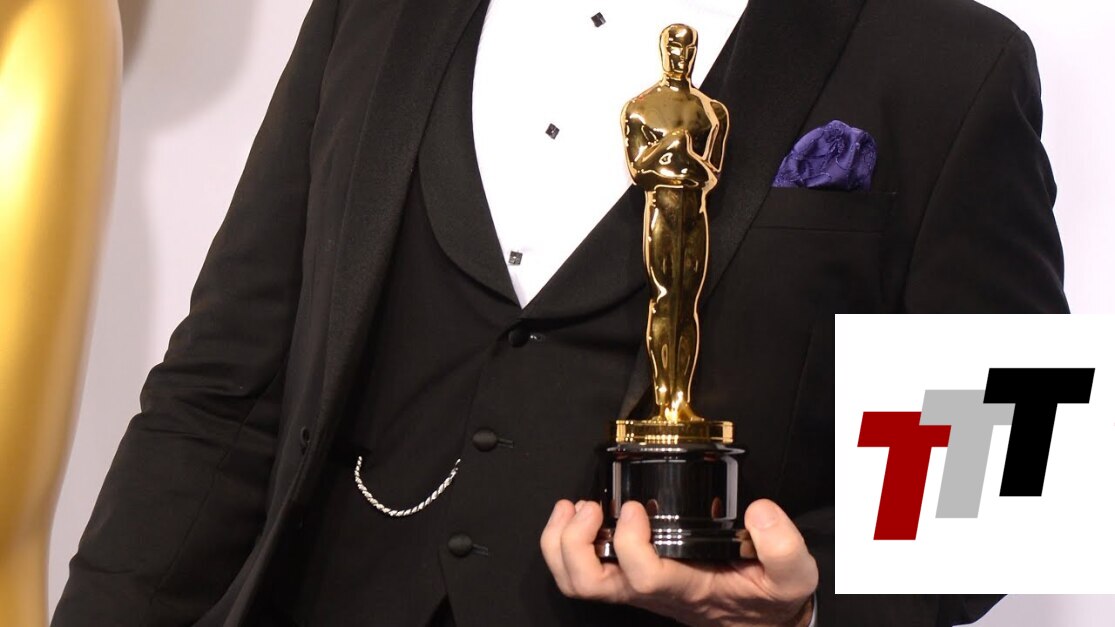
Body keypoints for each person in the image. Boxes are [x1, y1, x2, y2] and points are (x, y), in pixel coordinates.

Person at [54, 0, 1067, 625]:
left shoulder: (945, 59)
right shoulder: (375, 10)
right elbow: (222, 394)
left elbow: (997, 487)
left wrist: (806, 603)